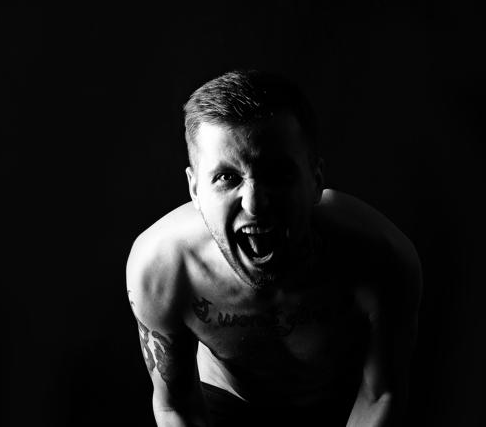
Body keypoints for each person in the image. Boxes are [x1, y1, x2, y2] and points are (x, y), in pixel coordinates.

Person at [126, 70, 422, 427]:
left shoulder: (380, 255)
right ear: (195, 191)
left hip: (339, 402)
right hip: (223, 405)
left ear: (315, 180)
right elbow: (177, 406)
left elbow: (380, 394)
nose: (255, 204)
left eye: (277, 174)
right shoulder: (162, 268)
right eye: (227, 177)